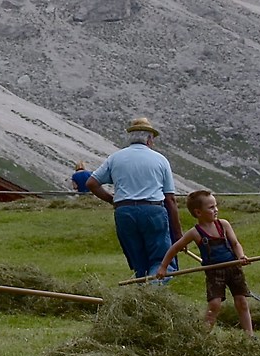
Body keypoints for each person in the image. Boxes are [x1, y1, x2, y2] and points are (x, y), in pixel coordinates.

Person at [75, 117, 183, 280]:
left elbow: (92, 183)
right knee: (162, 263)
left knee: (139, 262)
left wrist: (113, 200)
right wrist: (178, 235)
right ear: (149, 139)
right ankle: (152, 292)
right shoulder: (160, 160)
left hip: (124, 212)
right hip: (153, 210)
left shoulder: (115, 158)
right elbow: (170, 200)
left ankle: (140, 295)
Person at [153, 189, 254, 335]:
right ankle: (203, 336)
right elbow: (174, 248)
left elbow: (235, 244)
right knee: (214, 305)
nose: (216, 210)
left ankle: (249, 336)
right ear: (198, 212)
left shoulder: (223, 225)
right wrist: (163, 267)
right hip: (214, 272)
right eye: (211, 207)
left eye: (216, 206)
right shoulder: (195, 233)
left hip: (233, 268)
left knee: (242, 302)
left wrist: (241, 256)